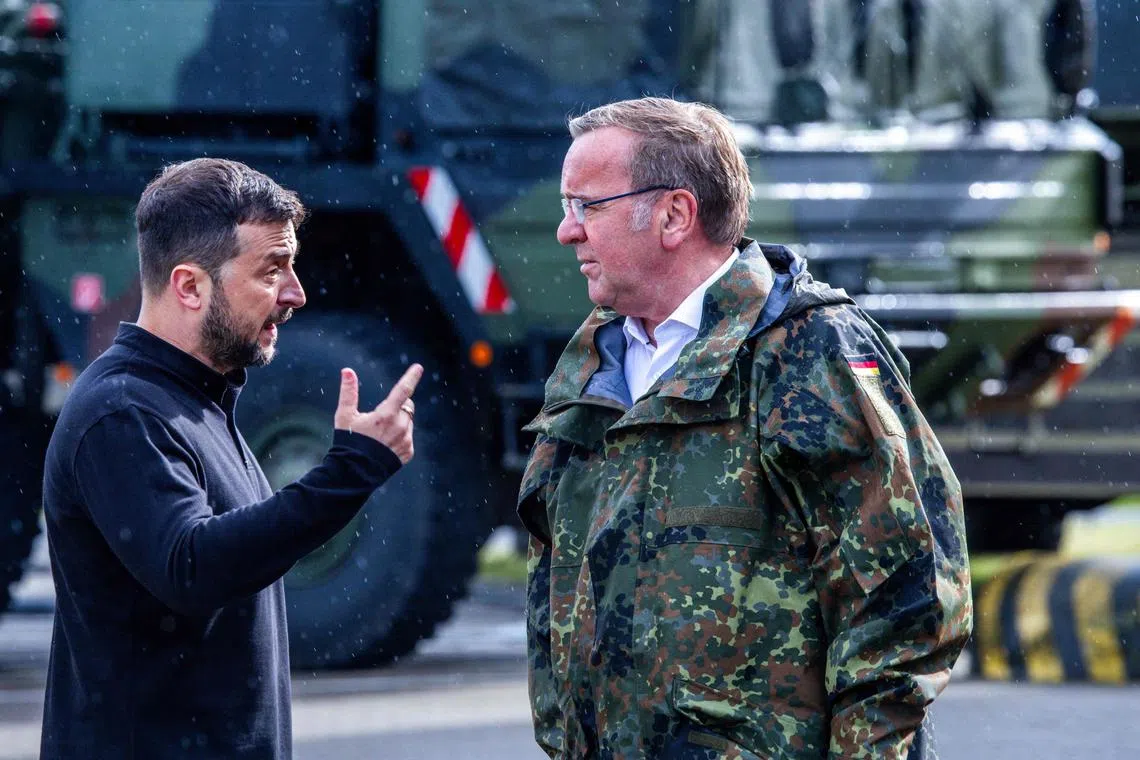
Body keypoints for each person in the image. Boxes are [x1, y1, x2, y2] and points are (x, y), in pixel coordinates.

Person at [517, 97, 973, 759]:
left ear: (674, 214)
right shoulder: (595, 363)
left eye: (586, 205)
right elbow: (550, 582)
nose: (567, 231)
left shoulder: (809, 351)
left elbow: (908, 594)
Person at [39, 158, 423, 759]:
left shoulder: (197, 400)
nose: (295, 293)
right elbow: (192, 567)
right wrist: (349, 471)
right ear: (190, 286)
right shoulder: (121, 413)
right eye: (272, 270)